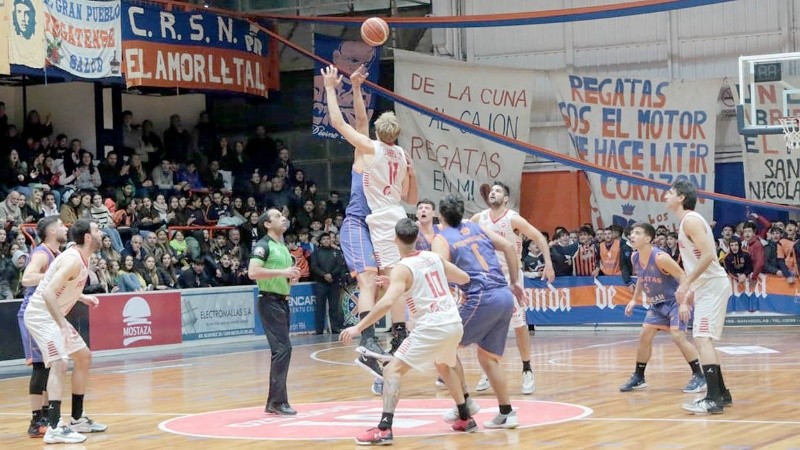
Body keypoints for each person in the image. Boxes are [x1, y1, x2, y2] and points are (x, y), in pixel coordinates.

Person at [340, 218, 474, 445]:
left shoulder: (402, 268)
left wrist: (358, 327)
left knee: (391, 370)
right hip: (453, 322)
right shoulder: (433, 257)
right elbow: (464, 278)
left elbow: (386, 303)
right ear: (417, 238)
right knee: (443, 365)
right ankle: (465, 417)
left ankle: (384, 429)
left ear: (395, 240)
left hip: (432, 326)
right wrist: (412, 281)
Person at [322, 65, 418, 381]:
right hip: (358, 223)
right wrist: (354, 88)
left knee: (392, 280)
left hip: (380, 221)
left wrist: (347, 88)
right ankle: (368, 339)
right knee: (368, 281)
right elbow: (360, 123)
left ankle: (398, 336)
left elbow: (357, 123)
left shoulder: (373, 151)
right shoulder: (372, 154)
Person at [432, 194, 527, 429]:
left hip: (481, 296)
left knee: (443, 348)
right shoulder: (476, 227)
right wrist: (515, 281)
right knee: (487, 357)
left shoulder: (441, 238)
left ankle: (464, 404)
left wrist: (460, 283)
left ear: (441, 216)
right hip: (504, 294)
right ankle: (506, 413)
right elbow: (508, 246)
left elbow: (440, 268)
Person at [23, 219, 107, 444]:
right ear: (87, 237)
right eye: (97, 230)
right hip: (41, 316)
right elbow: (48, 292)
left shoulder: (81, 257)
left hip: (53, 315)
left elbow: (62, 286)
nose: (101, 233)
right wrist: (62, 324)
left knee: (84, 357)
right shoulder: (73, 259)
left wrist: (82, 297)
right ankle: (53, 427)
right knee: (59, 363)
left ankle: (77, 419)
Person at [471, 182, 555, 395]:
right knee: (486, 325)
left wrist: (548, 263)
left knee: (519, 325)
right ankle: (488, 367)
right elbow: (463, 235)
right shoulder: (479, 218)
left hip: (511, 277)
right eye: (492, 190)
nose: (493, 192)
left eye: (498, 191)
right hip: (488, 279)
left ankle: (527, 369)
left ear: (506, 199)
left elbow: (539, 237)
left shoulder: (513, 219)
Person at [666, 180, 733, 414]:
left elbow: (708, 256)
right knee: (703, 339)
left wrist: (686, 283)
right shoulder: (686, 221)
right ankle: (722, 393)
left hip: (713, 285)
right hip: (707, 286)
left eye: (670, 192)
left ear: (681, 197)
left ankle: (713, 399)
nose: (666, 196)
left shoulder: (691, 221)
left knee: (702, 338)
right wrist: (691, 289)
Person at [619, 222, 706, 394]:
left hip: (674, 301)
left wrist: (684, 303)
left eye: (637, 233)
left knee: (678, 336)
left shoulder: (660, 258)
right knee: (645, 335)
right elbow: (641, 278)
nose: (632, 236)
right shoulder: (635, 257)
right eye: (632, 233)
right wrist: (634, 299)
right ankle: (639, 377)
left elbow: (682, 276)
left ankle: (699, 375)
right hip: (657, 304)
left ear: (648, 239)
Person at [17, 216, 67, 438]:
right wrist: (51, 275)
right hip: (34, 314)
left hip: (48, 315)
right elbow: (27, 278)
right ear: (52, 231)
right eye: (61, 225)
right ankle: (36, 420)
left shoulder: (57, 254)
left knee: (51, 365)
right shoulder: (42, 253)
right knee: (40, 367)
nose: (65, 228)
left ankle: (46, 416)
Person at [248, 209, 301, 416]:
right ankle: (277, 402)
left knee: (282, 351)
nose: (283, 218)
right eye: (278, 216)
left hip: (282, 301)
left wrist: (291, 278)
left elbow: (284, 276)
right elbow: (253, 272)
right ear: (267, 224)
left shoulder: (282, 247)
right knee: (282, 349)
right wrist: (282, 272)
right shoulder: (263, 245)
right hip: (269, 301)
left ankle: (275, 402)